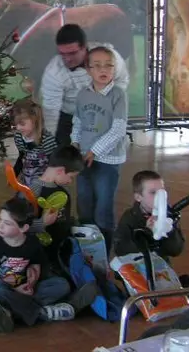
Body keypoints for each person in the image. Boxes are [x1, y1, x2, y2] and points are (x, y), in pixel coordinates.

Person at [0, 198, 75, 332]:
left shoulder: (32, 243)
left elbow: (36, 264)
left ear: (23, 228)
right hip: (3, 289)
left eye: (7, 223)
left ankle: (13, 312)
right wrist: (15, 289)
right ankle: (40, 313)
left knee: (61, 284)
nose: (0, 226)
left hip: (27, 290)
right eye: (0, 220)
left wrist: (33, 278)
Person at [72, 46, 128, 250]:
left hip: (107, 160)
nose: (103, 70)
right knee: (84, 202)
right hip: (83, 158)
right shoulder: (82, 95)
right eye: (97, 66)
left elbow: (118, 129)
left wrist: (94, 151)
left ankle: (104, 250)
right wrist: (75, 144)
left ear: (114, 69)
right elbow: (77, 122)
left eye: (108, 65)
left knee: (103, 206)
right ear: (88, 69)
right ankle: (87, 247)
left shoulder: (118, 95)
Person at [40, 24, 128, 146]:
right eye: (62, 53)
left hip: (103, 112)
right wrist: (49, 142)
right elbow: (51, 110)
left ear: (84, 47)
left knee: (101, 155)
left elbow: (121, 81)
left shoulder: (109, 58)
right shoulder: (54, 71)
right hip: (69, 117)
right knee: (65, 157)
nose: (67, 59)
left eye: (72, 53)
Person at [27, 145, 85, 261]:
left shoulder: (64, 191)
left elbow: (65, 219)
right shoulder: (32, 191)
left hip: (63, 250)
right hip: (42, 254)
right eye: (71, 177)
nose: (70, 181)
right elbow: (21, 225)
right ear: (61, 171)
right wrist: (42, 223)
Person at [113, 170, 185, 262]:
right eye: (153, 192)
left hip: (160, 268)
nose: (159, 197)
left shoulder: (169, 217)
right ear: (138, 197)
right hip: (135, 269)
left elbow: (175, 250)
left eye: (162, 192)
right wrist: (147, 234)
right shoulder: (130, 217)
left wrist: (170, 231)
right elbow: (121, 249)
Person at [11, 99, 58, 188]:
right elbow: (21, 157)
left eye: (22, 124)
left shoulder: (47, 139)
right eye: (15, 124)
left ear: (35, 120)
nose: (18, 127)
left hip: (44, 184)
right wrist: (14, 175)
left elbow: (54, 164)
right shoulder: (18, 137)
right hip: (26, 181)